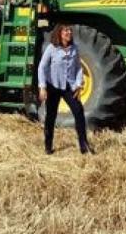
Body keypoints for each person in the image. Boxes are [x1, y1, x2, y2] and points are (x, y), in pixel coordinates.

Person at [37, 24, 93, 155]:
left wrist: (79, 85)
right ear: (59, 33)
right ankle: (48, 146)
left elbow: (78, 68)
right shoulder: (52, 48)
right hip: (53, 86)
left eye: (70, 30)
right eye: (66, 30)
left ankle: (84, 147)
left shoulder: (74, 49)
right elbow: (42, 67)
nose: (69, 32)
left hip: (69, 87)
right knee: (51, 116)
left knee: (79, 112)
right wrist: (42, 87)